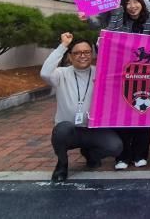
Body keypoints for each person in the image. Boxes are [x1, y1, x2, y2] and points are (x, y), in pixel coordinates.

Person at [41, 32, 122, 182]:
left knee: (115, 146)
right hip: (70, 130)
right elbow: (45, 73)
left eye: (86, 52)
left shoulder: (101, 73)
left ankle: (90, 154)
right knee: (61, 131)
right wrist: (63, 45)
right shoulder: (61, 74)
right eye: (77, 53)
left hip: (93, 129)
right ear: (70, 57)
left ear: (92, 54)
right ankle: (62, 164)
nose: (82, 56)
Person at [108, 0, 150, 170]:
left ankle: (140, 154)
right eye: (127, 3)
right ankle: (122, 156)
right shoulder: (118, 20)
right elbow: (108, 39)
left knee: (143, 111)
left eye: (135, 2)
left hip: (147, 75)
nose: (132, 6)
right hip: (122, 75)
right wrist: (116, 13)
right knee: (121, 114)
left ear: (142, 3)